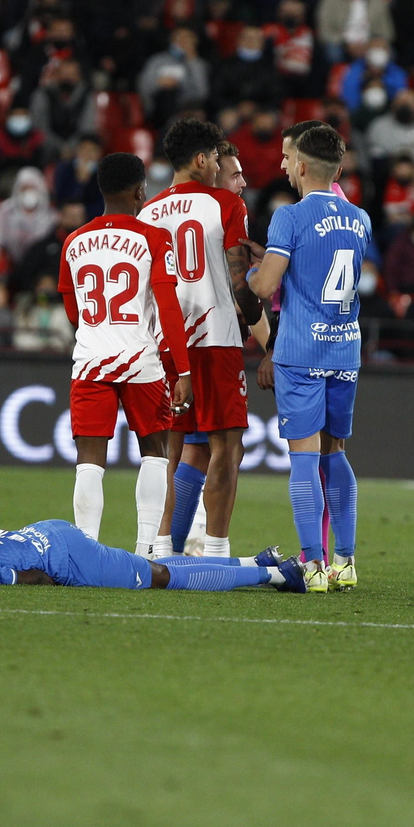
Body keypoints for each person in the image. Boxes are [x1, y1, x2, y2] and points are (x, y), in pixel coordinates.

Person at [248, 124, 371, 593]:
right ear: (338, 169)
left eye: (287, 159)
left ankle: (313, 567)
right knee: (336, 452)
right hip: (345, 349)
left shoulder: (289, 217)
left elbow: (264, 287)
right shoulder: (360, 217)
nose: (283, 166)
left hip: (301, 352)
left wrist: (255, 266)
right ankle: (346, 561)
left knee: (303, 458)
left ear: (301, 165)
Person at [138, 118, 261, 562]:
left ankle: (163, 544)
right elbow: (237, 278)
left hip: (166, 344)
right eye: (214, 160)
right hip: (216, 338)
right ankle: (215, 550)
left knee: (176, 446)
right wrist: (254, 315)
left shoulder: (147, 214)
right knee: (227, 446)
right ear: (203, 159)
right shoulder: (225, 204)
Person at [58, 152, 193, 558]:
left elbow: (72, 308)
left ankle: (84, 550)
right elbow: (168, 306)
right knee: (155, 450)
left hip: (91, 360)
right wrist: (182, 369)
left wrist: (95, 334)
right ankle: (147, 548)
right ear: (140, 191)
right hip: (140, 360)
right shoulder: (154, 237)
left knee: (89, 459)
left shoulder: (74, 241)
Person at [0, 522, 305, 593]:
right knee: (152, 568)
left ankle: (277, 577)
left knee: (158, 578)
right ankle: (256, 562)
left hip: (65, 558)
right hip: (44, 529)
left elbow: (36, 580)